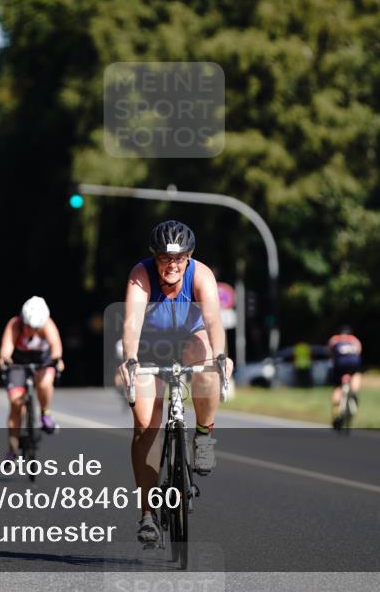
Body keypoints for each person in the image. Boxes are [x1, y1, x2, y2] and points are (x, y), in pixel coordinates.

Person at [117, 220, 233, 544]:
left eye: (179, 258)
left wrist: (222, 356)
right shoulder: (140, 277)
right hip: (149, 348)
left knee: (208, 358)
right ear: (154, 258)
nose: (172, 265)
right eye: (165, 259)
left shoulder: (201, 275)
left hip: (188, 342)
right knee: (144, 427)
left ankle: (204, 434)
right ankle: (147, 514)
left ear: (189, 256)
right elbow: (131, 323)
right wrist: (130, 359)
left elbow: (212, 320)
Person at [0, 296, 65, 455]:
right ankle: (12, 448)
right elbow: (6, 347)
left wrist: (57, 360)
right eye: (28, 326)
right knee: (16, 403)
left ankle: (45, 414)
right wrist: (4, 359)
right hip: (19, 363)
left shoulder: (47, 325)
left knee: (44, 384)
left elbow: (56, 346)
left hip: (42, 361)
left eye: (36, 328)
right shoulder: (14, 324)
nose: (31, 331)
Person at [328, 325, 363, 429]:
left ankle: (336, 409)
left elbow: (330, 353)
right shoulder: (354, 340)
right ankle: (354, 391)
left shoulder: (334, 339)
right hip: (354, 362)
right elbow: (358, 352)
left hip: (340, 364)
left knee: (338, 387)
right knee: (356, 373)